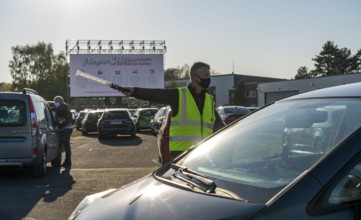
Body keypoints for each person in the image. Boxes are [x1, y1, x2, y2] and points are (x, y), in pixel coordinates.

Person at [122, 61, 225, 159]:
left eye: (209, 75)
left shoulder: (210, 99)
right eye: (206, 75)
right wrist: (135, 92)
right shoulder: (179, 95)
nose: (209, 78)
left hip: (203, 153)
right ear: (194, 77)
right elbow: (155, 94)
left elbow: (220, 125)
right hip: (181, 153)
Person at [53, 96, 73, 167]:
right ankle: (67, 160)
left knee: (66, 145)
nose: (55, 103)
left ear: (59, 102)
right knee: (65, 144)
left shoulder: (62, 107)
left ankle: (68, 161)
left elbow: (58, 112)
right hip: (67, 127)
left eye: (56, 101)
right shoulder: (65, 106)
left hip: (66, 128)